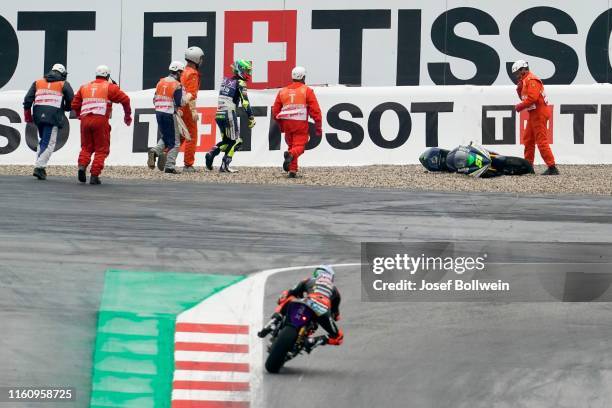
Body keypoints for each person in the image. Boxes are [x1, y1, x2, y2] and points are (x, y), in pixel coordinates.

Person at [257, 265, 344, 350]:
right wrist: (333, 316)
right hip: (323, 310)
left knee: (289, 297)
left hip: (307, 301)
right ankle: (313, 341)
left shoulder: (309, 280)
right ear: (331, 277)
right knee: (338, 337)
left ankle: (275, 320)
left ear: (318, 273)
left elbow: (291, 292)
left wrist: (283, 300)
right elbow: (336, 315)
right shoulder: (335, 291)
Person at [71, 65, 132, 184]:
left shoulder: (84, 87)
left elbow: (74, 105)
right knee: (101, 149)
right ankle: (94, 175)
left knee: (86, 148)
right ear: (108, 76)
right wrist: (127, 116)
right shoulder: (110, 87)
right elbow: (125, 100)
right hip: (100, 120)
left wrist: (80, 115)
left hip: (85, 120)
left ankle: (82, 167)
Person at [22, 63, 74, 180]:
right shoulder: (63, 83)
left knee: (43, 141)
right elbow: (71, 99)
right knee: (49, 143)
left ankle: (40, 166)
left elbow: (27, 99)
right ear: (62, 73)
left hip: (38, 116)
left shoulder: (38, 82)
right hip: (53, 117)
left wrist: (27, 115)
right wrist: (66, 108)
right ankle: (39, 167)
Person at [205, 59, 256, 172]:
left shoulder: (225, 81)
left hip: (219, 113)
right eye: (247, 71)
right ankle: (225, 166)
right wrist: (251, 117)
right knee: (237, 142)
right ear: (240, 70)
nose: (248, 74)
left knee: (227, 142)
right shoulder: (241, 83)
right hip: (229, 114)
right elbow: (245, 102)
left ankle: (211, 153)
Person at [271, 66, 322, 178]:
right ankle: (291, 155)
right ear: (303, 77)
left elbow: (275, 111)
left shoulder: (282, 91)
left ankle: (292, 170)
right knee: (299, 147)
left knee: (292, 145)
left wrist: (281, 125)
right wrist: (318, 126)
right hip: (300, 123)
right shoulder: (307, 91)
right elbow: (316, 111)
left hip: (287, 123)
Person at [512, 59, 559, 175]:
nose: (516, 75)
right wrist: (519, 89)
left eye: (518, 72)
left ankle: (552, 167)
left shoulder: (532, 80)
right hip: (534, 113)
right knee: (528, 140)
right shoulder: (525, 81)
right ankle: (528, 167)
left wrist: (519, 107)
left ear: (524, 69)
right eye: (515, 73)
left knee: (541, 141)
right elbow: (524, 98)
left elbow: (532, 98)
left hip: (539, 113)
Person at [147, 61, 189, 174]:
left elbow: (154, 99)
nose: (182, 75)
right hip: (169, 114)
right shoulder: (177, 85)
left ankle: (155, 151)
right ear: (178, 72)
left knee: (166, 136)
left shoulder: (160, 82)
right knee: (175, 142)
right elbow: (181, 102)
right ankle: (170, 166)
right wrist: (188, 97)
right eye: (182, 72)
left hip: (158, 113)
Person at [180, 46, 204, 172]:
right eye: (201, 58)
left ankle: (164, 153)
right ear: (196, 59)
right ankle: (188, 164)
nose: (202, 61)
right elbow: (191, 94)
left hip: (179, 106)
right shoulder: (193, 74)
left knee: (180, 136)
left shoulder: (183, 71)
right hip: (187, 109)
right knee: (191, 135)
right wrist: (194, 111)